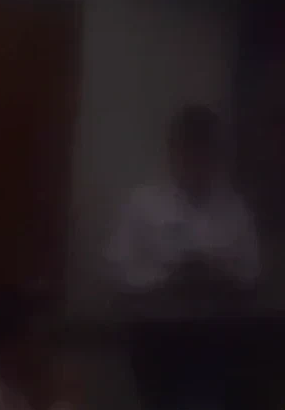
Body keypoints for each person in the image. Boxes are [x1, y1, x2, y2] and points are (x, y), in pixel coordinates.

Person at [106, 104, 260, 300]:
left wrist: (218, 273)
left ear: (217, 157)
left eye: (204, 153)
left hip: (219, 314)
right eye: (188, 152)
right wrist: (167, 277)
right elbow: (118, 270)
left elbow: (252, 272)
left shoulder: (235, 208)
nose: (196, 162)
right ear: (172, 152)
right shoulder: (141, 203)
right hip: (154, 313)